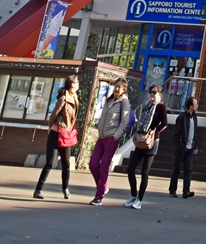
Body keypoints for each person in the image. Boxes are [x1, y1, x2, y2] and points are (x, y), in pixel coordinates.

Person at [34, 73, 80, 200]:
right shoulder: (63, 99)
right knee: (50, 162)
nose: (78, 84)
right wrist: (50, 127)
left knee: (66, 163)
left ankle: (65, 189)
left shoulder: (75, 97)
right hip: (56, 133)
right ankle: (38, 189)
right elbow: (54, 114)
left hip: (66, 133)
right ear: (72, 85)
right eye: (76, 82)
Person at [124, 84, 167, 209]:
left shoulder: (161, 107)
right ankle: (133, 194)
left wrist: (155, 130)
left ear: (159, 94)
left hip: (152, 141)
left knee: (145, 171)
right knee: (130, 169)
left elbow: (164, 123)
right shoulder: (147, 106)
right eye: (150, 92)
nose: (152, 95)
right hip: (141, 140)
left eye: (154, 92)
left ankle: (139, 199)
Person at [88, 77, 130, 205]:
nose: (116, 89)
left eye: (119, 87)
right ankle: (103, 187)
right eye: (115, 86)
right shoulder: (109, 100)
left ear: (124, 89)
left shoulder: (124, 102)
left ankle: (99, 197)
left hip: (111, 138)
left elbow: (125, 121)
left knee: (104, 165)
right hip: (101, 137)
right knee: (93, 164)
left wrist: (116, 136)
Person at [169, 96, 200, 199]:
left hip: (190, 148)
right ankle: (172, 190)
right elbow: (176, 134)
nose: (196, 106)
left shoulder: (194, 117)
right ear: (190, 106)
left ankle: (186, 191)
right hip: (182, 147)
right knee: (176, 169)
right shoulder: (182, 117)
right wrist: (180, 145)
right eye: (195, 104)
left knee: (188, 169)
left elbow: (195, 132)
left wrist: (195, 145)